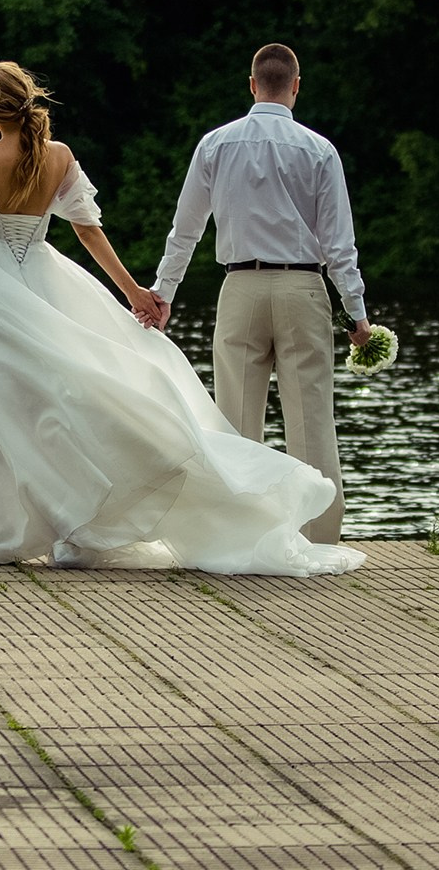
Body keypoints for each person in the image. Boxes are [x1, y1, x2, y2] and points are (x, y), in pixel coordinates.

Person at [0, 60, 362, 576]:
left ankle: (14, 534)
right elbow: (88, 232)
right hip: (42, 279)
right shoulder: (57, 156)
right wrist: (136, 293)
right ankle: (68, 523)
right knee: (66, 401)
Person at [144, 43, 370, 542]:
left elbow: (185, 231)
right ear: (295, 86)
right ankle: (319, 540)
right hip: (303, 287)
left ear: (251, 85)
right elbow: (339, 244)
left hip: (240, 288)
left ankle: (240, 536)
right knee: (311, 421)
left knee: (237, 422)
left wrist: (164, 294)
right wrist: (356, 314)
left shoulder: (215, 145)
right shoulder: (319, 150)